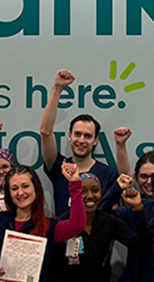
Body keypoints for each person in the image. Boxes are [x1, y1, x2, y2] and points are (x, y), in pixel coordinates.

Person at [39, 70, 119, 214]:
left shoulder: (109, 174)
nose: (81, 140)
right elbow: (45, 132)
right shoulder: (59, 167)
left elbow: (112, 216)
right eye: (77, 134)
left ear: (95, 141)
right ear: (70, 136)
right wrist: (57, 89)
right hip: (63, 229)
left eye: (87, 136)